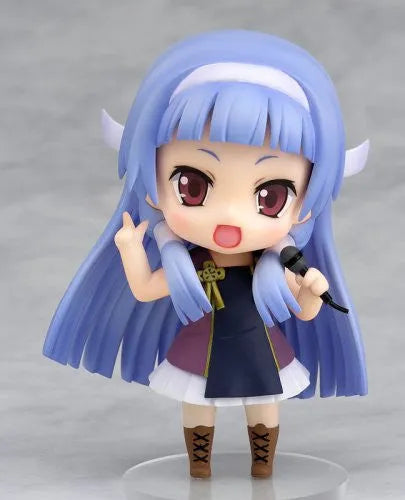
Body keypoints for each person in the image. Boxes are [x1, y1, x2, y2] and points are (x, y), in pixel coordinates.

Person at [44, 30, 369, 479]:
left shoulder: (272, 267)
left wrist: (312, 291)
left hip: (259, 347)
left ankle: (262, 461)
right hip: (200, 347)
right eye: (192, 186)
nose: (230, 218)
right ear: (154, 183)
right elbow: (145, 289)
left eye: (270, 197)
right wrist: (130, 249)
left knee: (263, 401)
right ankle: (200, 462)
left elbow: (305, 312)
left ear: (305, 203)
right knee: (197, 404)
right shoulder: (193, 266)